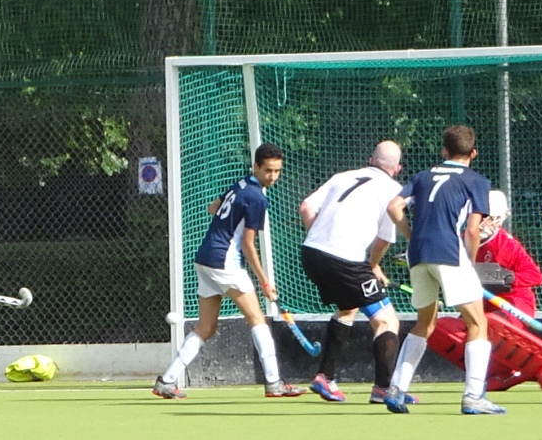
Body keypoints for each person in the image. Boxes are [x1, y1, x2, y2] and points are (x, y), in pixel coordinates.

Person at [154, 143, 305, 399]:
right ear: (256, 167)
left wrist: (229, 221)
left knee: (205, 327)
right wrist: (265, 281)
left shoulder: (241, 184)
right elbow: (248, 244)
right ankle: (274, 382)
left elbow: (212, 208)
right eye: (268, 170)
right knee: (257, 320)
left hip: (205, 258)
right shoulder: (257, 198)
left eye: (277, 171)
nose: (273, 176)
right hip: (226, 262)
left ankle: (166, 381)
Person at [382, 124, 503, 415]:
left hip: (418, 254)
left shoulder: (422, 176)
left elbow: (394, 206)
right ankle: (473, 396)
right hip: (449, 253)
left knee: (425, 322)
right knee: (477, 323)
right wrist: (469, 264)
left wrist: (411, 236)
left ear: (444, 151)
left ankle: (396, 388)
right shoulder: (476, 180)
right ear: (473, 153)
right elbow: (472, 230)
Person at [297, 141, 405, 404]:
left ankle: (325, 377)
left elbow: (306, 208)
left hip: (311, 253)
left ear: (371, 160)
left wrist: (322, 240)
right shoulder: (394, 190)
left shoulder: (343, 176)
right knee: (387, 321)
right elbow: (384, 240)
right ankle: (383, 389)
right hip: (346, 261)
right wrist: (373, 265)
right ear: (398, 168)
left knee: (348, 307)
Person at [425, 190, 542, 393]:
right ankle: (498, 372)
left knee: (491, 326)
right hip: (479, 306)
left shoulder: (508, 245)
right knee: (440, 330)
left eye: (488, 218)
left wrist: (505, 278)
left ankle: (538, 366)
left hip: (512, 305)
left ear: (499, 219)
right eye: (480, 216)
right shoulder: (460, 241)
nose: (482, 223)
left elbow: (535, 276)